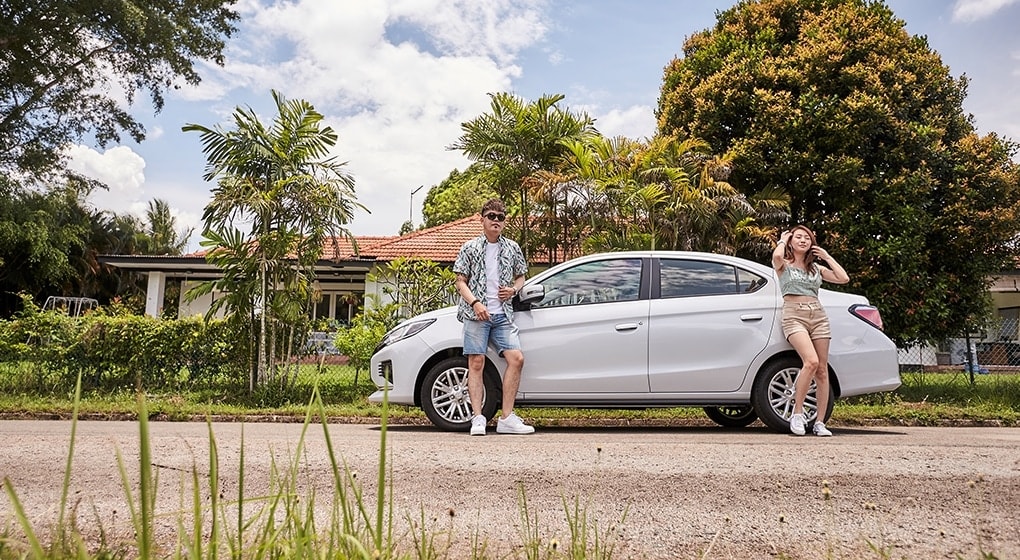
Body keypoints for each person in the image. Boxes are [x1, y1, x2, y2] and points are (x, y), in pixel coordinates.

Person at [453, 198, 533, 436]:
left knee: (516, 359)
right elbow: (460, 282)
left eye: (501, 217)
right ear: (482, 219)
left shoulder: (512, 248)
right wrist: (476, 303)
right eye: (491, 216)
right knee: (476, 363)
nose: (496, 221)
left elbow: (521, 277)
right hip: (475, 315)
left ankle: (507, 418)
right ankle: (478, 418)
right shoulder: (469, 247)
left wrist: (513, 290)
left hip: (503, 315)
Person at [772, 225, 849, 437]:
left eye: (807, 238)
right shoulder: (784, 264)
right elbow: (777, 255)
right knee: (811, 362)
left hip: (818, 316)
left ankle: (819, 422)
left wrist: (827, 256)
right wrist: (782, 239)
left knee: (822, 369)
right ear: (791, 241)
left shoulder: (816, 269)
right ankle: (797, 414)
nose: (803, 240)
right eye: (798, 237)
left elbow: (843, 278)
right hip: (794, 315)